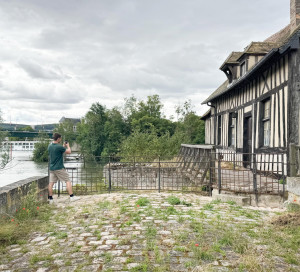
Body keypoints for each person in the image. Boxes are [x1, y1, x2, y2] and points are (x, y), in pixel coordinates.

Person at [48, 133, 80, 204]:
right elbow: (69, 152)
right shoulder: (59, 147)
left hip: (52, 167)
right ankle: (72, 197)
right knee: (67, 180)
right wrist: (68, 146)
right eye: (60, 138)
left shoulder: (50, 146)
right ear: (58, 138)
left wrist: (63, 146)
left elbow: (58, 151)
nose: (61, 139)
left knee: (51, 183)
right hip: (59, 167)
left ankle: (50, 199)